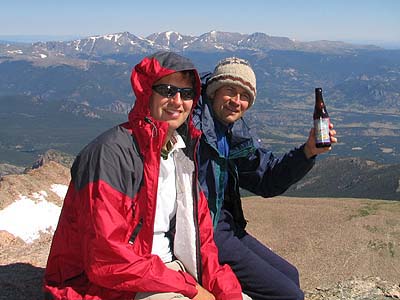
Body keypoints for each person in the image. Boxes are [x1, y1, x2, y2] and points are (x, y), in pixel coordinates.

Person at [43, 51, 245, 300]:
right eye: (168, 90)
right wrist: (190, 288)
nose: (178, 101)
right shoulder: (110, 155)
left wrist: (228, 293)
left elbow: (203, 243)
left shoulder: (181, 154)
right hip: (113, 286)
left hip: (169, 273)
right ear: (147, 92)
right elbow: (106, 258)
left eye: (188, 93)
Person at [193, 57, 337, 300]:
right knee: (288, 295)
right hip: (204, 232)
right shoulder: (192, 130)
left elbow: (267, 179)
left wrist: (307, 152)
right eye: (230, 90)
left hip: (226, 226)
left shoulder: (232, 132)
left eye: (245, 95)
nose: (236, 101)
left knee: (291, 275)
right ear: (213, 91)